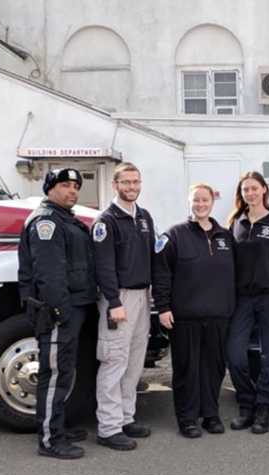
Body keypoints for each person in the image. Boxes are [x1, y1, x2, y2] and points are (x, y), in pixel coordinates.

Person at [18, 168, 97, 459]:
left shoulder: (66, 219)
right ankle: (50, 440)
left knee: (66, 371)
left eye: (76, 186)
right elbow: (49, 274)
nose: (73, 191)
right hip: (58, 312)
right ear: (50, 188)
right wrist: (60, 311)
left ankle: (59, 426)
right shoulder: (46, 221)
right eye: (65, 185)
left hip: (73, 308)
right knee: (54, 375)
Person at [153, 184, 235, 438]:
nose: (200, 204)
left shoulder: (225, 237)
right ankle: (187, 418)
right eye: (196, 200)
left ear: (212, 202)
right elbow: (161, 273)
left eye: (205, 200)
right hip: (185, 317)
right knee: (187, 369)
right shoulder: (174, 235)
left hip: (219, 316)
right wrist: (163, 307)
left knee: (214, 368)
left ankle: (210, 414)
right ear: (189, 203)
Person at [225, 172, 269, 434]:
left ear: (264, 190)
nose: (250, 193)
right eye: (246, 190)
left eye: (254, 188)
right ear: (241, 193)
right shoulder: (236, 222)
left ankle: (264, 408)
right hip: (242, 300)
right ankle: (246, 405)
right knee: (235, 356)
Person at [92, 162, 156, 451]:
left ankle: (126, 418)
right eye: (126, 182)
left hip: (142, 296)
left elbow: (151, 256)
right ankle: (108, 427)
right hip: (118, 297)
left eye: (136, 182)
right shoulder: (106, 221)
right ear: (115, 185)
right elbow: (103, 266)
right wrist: (114, 302)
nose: (132, 187)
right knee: (114, 360)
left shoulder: (144, 217)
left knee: (133, 362)